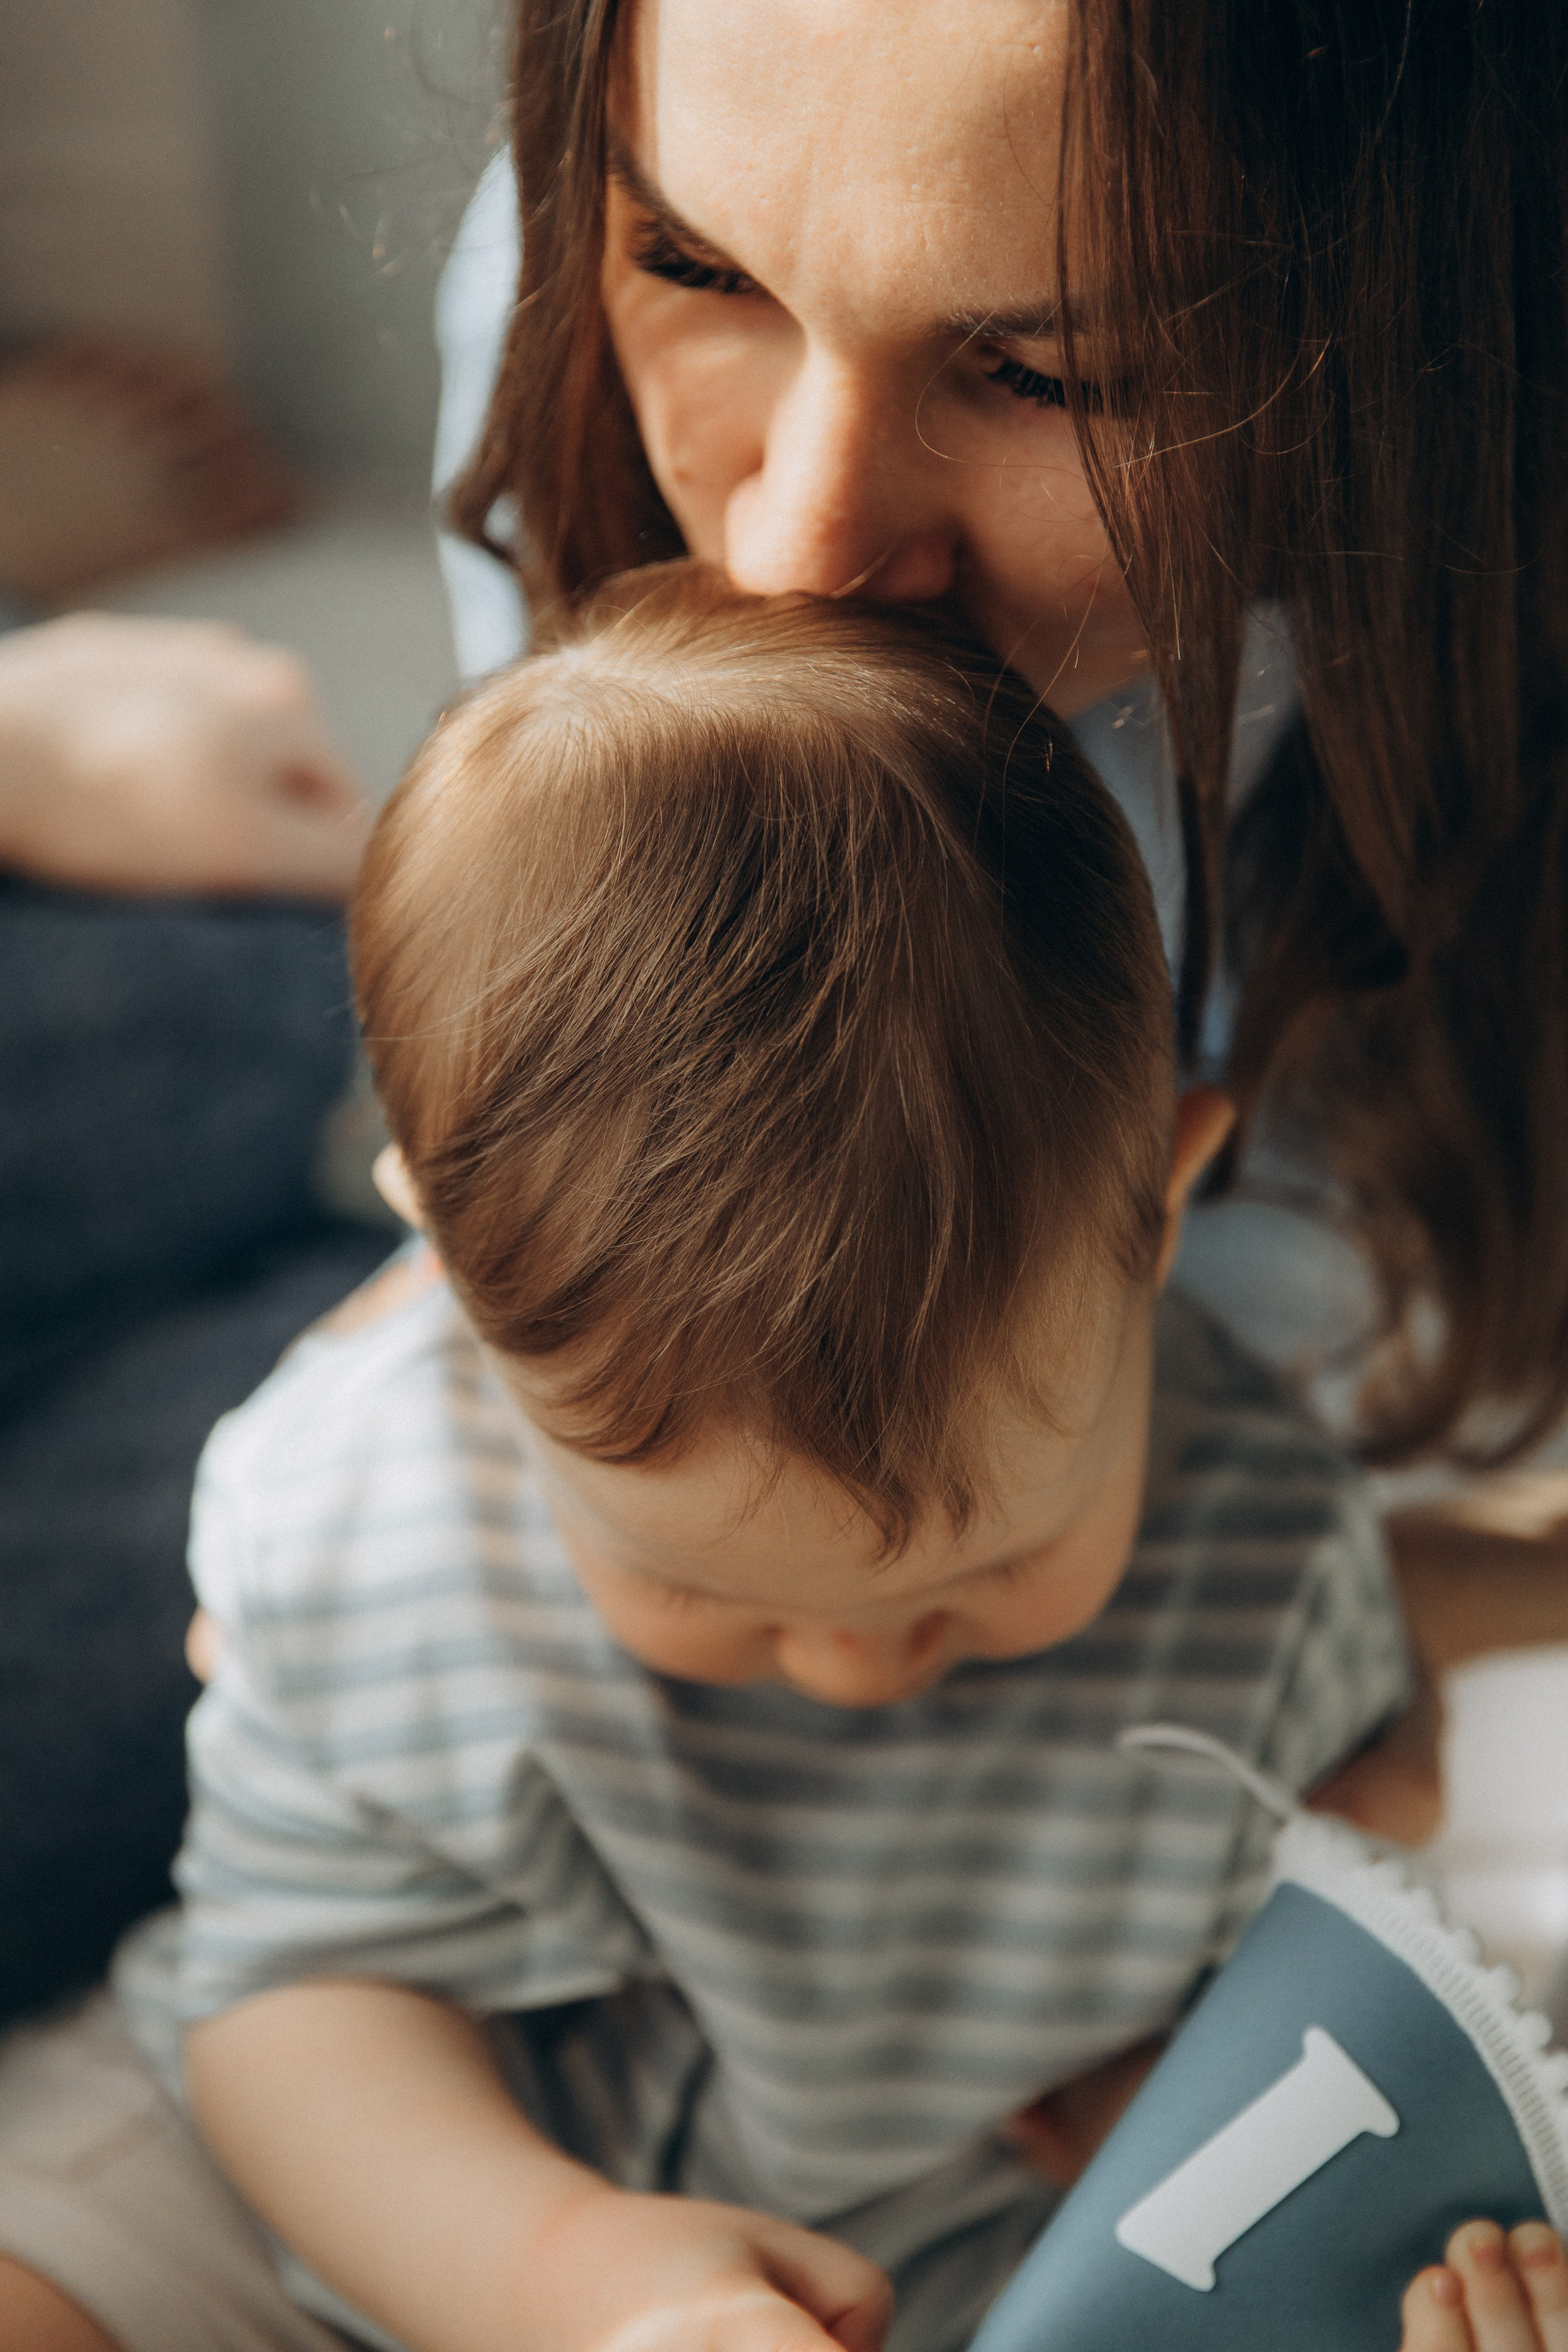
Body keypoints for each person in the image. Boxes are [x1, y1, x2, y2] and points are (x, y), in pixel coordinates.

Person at [0, 565, 1504, 2352]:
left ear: (1159, 1206)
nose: (859, 1663)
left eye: (982, 1568)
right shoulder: (380, 1521)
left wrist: (1204, 2136)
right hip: (339, 2177)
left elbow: (1244, 1989)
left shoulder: (1265, 1545)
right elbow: (302, 2006)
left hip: (892, 2246)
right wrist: (569, 2280)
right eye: (703, 1582)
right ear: (451, 1293)